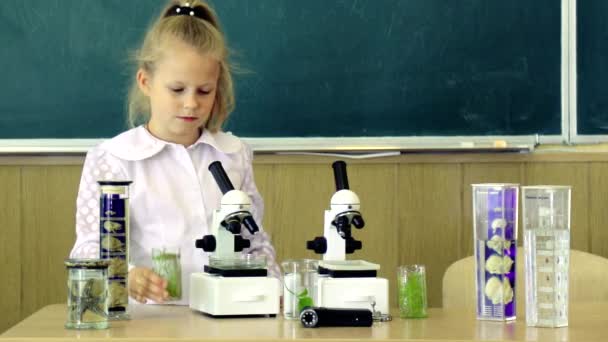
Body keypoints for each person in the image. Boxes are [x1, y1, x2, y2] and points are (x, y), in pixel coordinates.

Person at [69, 0, 280, 305]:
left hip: (228, 316)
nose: (192, 104)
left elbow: (255, 243)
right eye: (177, 90)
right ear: (146, 81)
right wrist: (126, 275)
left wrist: (275, 290)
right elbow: (89, 249)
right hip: (147, 324)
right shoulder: (112, 159)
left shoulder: (234, 155)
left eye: (204, 91)